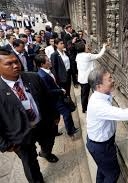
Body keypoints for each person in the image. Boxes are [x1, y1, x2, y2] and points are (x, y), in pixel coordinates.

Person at [0, 48, 58, 182]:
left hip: (42, 125)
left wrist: (55, 115)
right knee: (30, 163)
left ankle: (45, 152)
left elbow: (47, 98)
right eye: (9, 63)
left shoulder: (33, 77)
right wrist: (5, 145)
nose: (15, 66)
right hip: (20, 136)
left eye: (16, 62)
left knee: (48, 142)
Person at [35, 54, 79, 137]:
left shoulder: (46, 71)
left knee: (58, 116)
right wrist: (60, 90)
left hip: (57, 97)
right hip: (54, 99)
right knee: (66, 113)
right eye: (48, 61)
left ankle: (57, 131)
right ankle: (70, 131)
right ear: (42, 64)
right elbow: (48, 91)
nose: (50, 61)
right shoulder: (43, 76)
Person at [75, 42, 107, 113]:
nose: (87, 47)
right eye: (85, 46)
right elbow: (99, 55)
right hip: (89, 78)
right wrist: (104, 47)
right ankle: (97, 107)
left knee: (84, 95)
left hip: (82, 79)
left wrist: (89, 51)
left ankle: (84, 108)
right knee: (96, 92)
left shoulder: (78, 56)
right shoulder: (87, 56)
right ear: (83, 48)